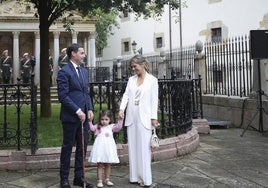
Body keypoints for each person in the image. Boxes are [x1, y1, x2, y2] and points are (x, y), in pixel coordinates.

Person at [118, 54, 159, 187]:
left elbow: (154, 100)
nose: (133, 69)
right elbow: (125, 95)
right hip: (132, 117)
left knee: (144, 149)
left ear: (142, 65)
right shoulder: (131, 80)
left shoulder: (152, 80)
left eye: (135, 66)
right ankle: (134, 177)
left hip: (145, 118)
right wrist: (122, 109)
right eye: (132, 67)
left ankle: (145, 178)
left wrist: (154, 118)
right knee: (133, 148)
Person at [57, 43, 94, 188]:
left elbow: (86, 92)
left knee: (82, 148)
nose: (84, 55)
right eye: (82, 53)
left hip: (85, 117)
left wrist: (89, 108)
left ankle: (79, 177)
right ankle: (64, 179)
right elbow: (63, 96)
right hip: (71, 117)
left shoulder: (84, 71)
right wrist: (77, 110)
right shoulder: (64, 71)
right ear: (73, 54)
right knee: (67, 148)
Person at [88, 110, 123, 188]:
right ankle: (99, 180)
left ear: (110, 119)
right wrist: (90, 121)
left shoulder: (111, 127)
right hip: (100, 148)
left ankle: (107, 179)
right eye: (102, 119)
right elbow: (92, 128)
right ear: (100, 119)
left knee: (108, 164)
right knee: (100, 164)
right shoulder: (98, 126)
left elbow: (118, 127)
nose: (104, 121)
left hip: (108, 148)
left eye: (106, 119)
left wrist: (120, 120)